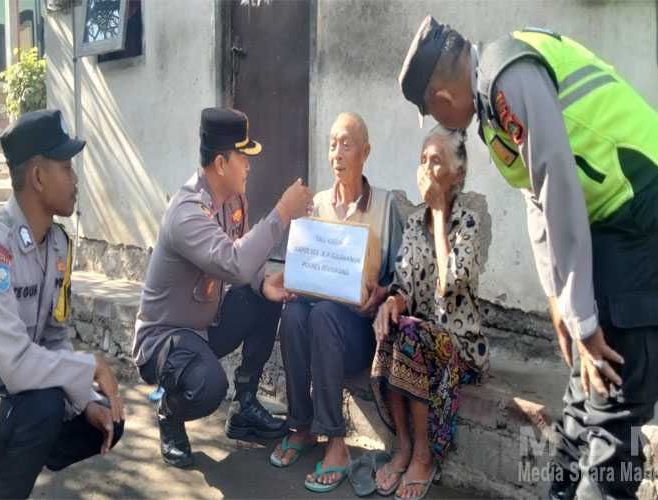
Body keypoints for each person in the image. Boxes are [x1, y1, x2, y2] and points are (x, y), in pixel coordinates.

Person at [399, 16, 658, 499]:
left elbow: (557, 181)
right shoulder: (490, 108)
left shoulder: (507, 76)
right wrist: (559, 299)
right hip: (608, 217)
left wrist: (583, 319)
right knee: (584, 389)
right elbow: (537, 199)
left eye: (431, 110)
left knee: (612, 405)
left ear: (441, 98)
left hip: (644, 204)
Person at [0, 109, 125, 499]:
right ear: (38, 178)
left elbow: (54, 337)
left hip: (14, 405)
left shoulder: (57, 246)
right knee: (45, 405)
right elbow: (16, 366)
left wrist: (85, 401)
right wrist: (93, 366)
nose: (75, 179)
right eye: (66, 167)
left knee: (105, 419)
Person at [134, 107, 313, 468]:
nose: (248, 166)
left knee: (264, 297)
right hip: (166, 339)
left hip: (206, 327)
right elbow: (234, 262)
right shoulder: (187, 212)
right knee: (208, 385)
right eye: (242, 157)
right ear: (220, 163)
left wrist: (263, 281)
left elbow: (246, 260)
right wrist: (282, 211)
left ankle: (244, 404)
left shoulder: (233, 200)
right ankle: (170, 411)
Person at [270, 112, 405, 493]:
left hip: (361, 331)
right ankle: (302, 426)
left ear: (365, 152)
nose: (337, 153)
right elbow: (308, 265)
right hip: (322, 327)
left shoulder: (385, 205)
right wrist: (297, 281)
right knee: (295, 313)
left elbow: (402, 275)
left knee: (325, 315)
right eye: (332, 144)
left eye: (346, 144)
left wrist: (382, 294)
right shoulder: (318, 205)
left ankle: (336, 442)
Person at [370, 125, 489, 500]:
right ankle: (404, 446)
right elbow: (404, 282)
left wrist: (438, 213)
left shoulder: (471, 219)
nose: (425, 167)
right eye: (422, 159)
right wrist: (391, 304)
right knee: (393, 328)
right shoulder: (412, 222)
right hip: (418, 337)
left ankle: (423, 455)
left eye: (436, 160)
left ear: (456, 173)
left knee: (410, 334)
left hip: (459, 346)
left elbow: (449, 282)